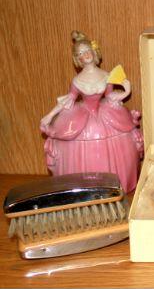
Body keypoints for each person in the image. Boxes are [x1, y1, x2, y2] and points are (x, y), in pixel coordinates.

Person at [40, 30, 144, 192]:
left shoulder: (105, 75)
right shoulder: (77, 80)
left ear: (94, 52)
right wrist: (50, 115)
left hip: (106, 114)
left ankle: (117, 183)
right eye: (81, 53)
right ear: (78, 59)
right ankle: (83, 188)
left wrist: (125, 91)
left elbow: (112, 93)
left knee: (122, 134)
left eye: (87, 51)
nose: (85, 55)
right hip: (83, 116)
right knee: (72, 138)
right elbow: (69, 100)